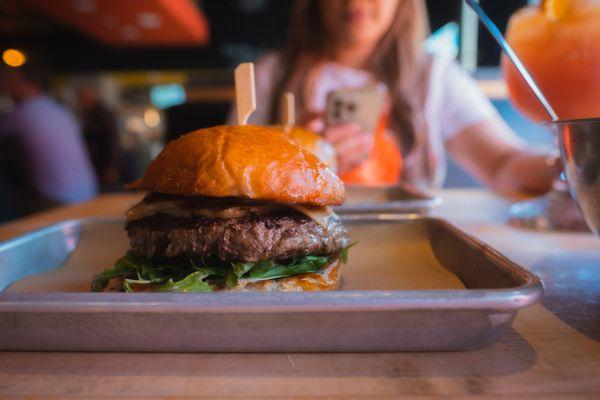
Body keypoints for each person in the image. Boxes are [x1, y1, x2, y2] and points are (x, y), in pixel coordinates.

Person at [230, 0, 557, 194]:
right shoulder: (271, 74)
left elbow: (502, 163)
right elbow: (231, 178)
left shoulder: (434, 75)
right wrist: (288, 157)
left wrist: (567, 167)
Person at [0, 66, 97, 212]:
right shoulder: (57, 109)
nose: (4, 85)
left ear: (21, 83)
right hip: (88, 193)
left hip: (58, 201)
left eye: (8, 80)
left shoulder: (22, 113)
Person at [77, 84, 120, 191]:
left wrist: (111, 167)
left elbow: (112, 141)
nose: (79, 102)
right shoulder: (91, 114)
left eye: (82, 98)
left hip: (103, 165)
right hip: (98, 164)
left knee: (106, 194)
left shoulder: (101, 114)